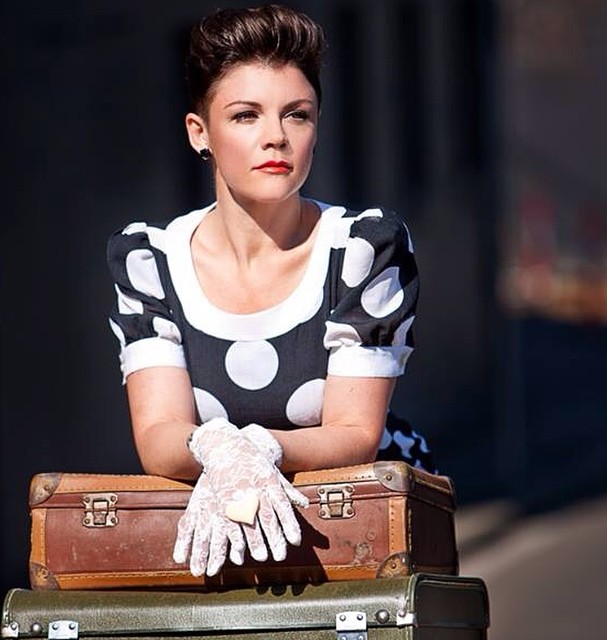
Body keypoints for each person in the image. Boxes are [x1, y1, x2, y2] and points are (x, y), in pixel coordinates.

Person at [106, 4, 432, 579]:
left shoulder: (362, 248)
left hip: (360, 537)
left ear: (316, 128)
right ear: (200, 133)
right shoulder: (149, 259)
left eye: (297, 115)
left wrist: (265, 447)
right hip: (216, 542)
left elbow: (356, 434)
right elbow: (158, 436)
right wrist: (219, 449)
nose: (276, 137)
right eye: (245, 116)